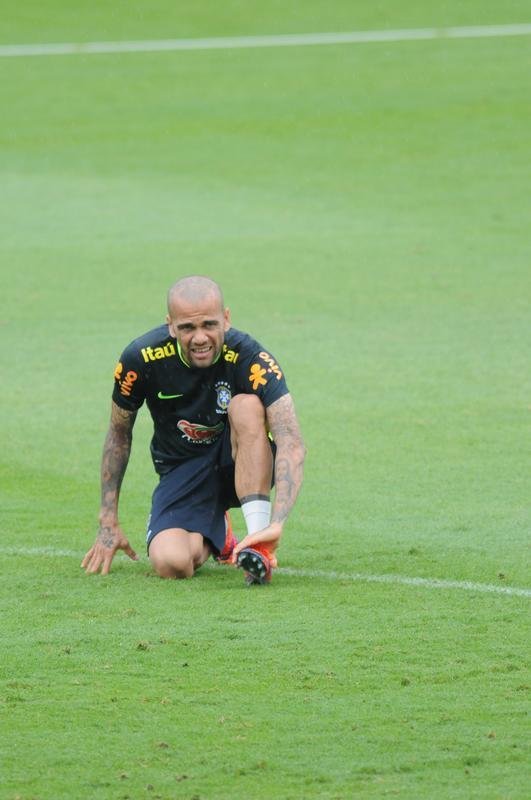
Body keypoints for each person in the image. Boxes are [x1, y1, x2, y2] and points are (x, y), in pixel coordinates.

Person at [82, 275, 305, 584]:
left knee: (246, 406)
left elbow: (290, 439)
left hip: (240, 459)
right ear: (171, 325)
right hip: (181, 469)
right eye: (187, 328)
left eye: (209, 325)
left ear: (226, 319)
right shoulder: (140, 359)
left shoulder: (250, 357)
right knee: (172, 564)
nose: (200, 337)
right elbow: (119, 433)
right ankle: (220, 535)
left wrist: (277, 522)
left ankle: (259, 547)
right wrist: (108, 519)